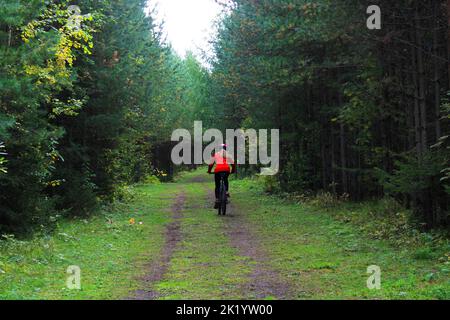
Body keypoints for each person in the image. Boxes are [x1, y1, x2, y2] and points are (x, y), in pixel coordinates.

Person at [207, 144, 236, 208]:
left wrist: (209, 171)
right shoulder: (228, 154)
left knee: (217, 184)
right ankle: (226, 191)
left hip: (218, 170)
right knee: (225, 179)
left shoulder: (216, 154)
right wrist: (233, 170)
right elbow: (233, 164)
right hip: (226, 170)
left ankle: (217, 199)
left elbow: (211, 164)